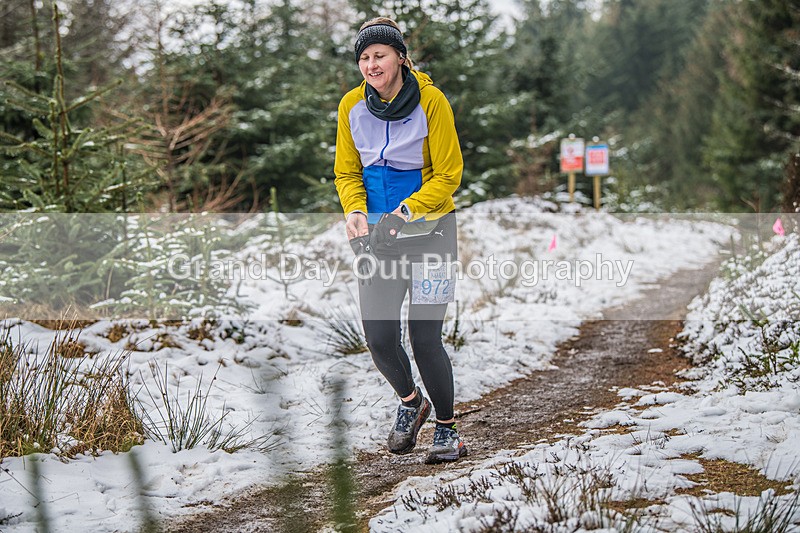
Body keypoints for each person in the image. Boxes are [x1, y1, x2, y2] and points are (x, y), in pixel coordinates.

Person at [334, 17, 467, 464]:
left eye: (380, 55)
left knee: (425, 337)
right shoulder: (351, 105)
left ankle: (447, 430)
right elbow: (347, 172)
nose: (371, 65)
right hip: (378, 241)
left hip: (432, 235)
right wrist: (355, 211)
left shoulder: (431, 102)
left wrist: (405, 212)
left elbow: (449, 175)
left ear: (400, 58)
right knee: (379, 336)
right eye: (364, 58)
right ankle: (412, 403)